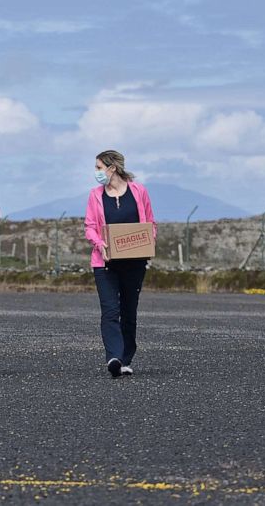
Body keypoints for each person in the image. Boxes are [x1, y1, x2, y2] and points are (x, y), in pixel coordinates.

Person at [84, 150, 156, 378]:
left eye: (98, 167)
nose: (96, 172)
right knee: (110, 310)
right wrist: (99, 244)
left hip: (134, 263)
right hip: (104, 263)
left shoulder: (138, 191)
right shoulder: (95, 195)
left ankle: (126, 358)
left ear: (111, 168)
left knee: (128, 311)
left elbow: (150, 223)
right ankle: (113, 357)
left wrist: (147, 243)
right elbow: (89, 226)